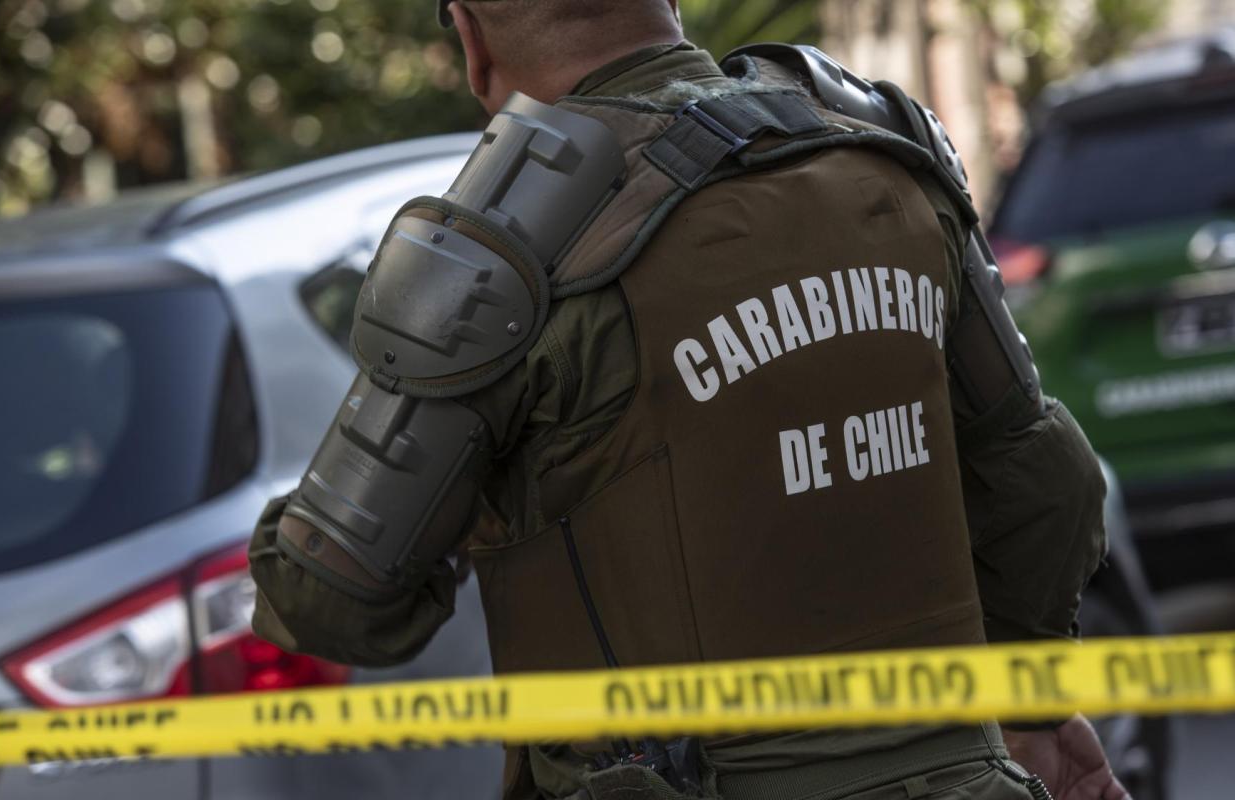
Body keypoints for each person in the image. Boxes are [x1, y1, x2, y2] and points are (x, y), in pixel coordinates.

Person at [247, 2, 1128, 798]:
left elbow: (330, 597)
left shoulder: (504, 260)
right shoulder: (884, 157)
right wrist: (1029, 712)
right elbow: (1051, 488)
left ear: (472, 41)